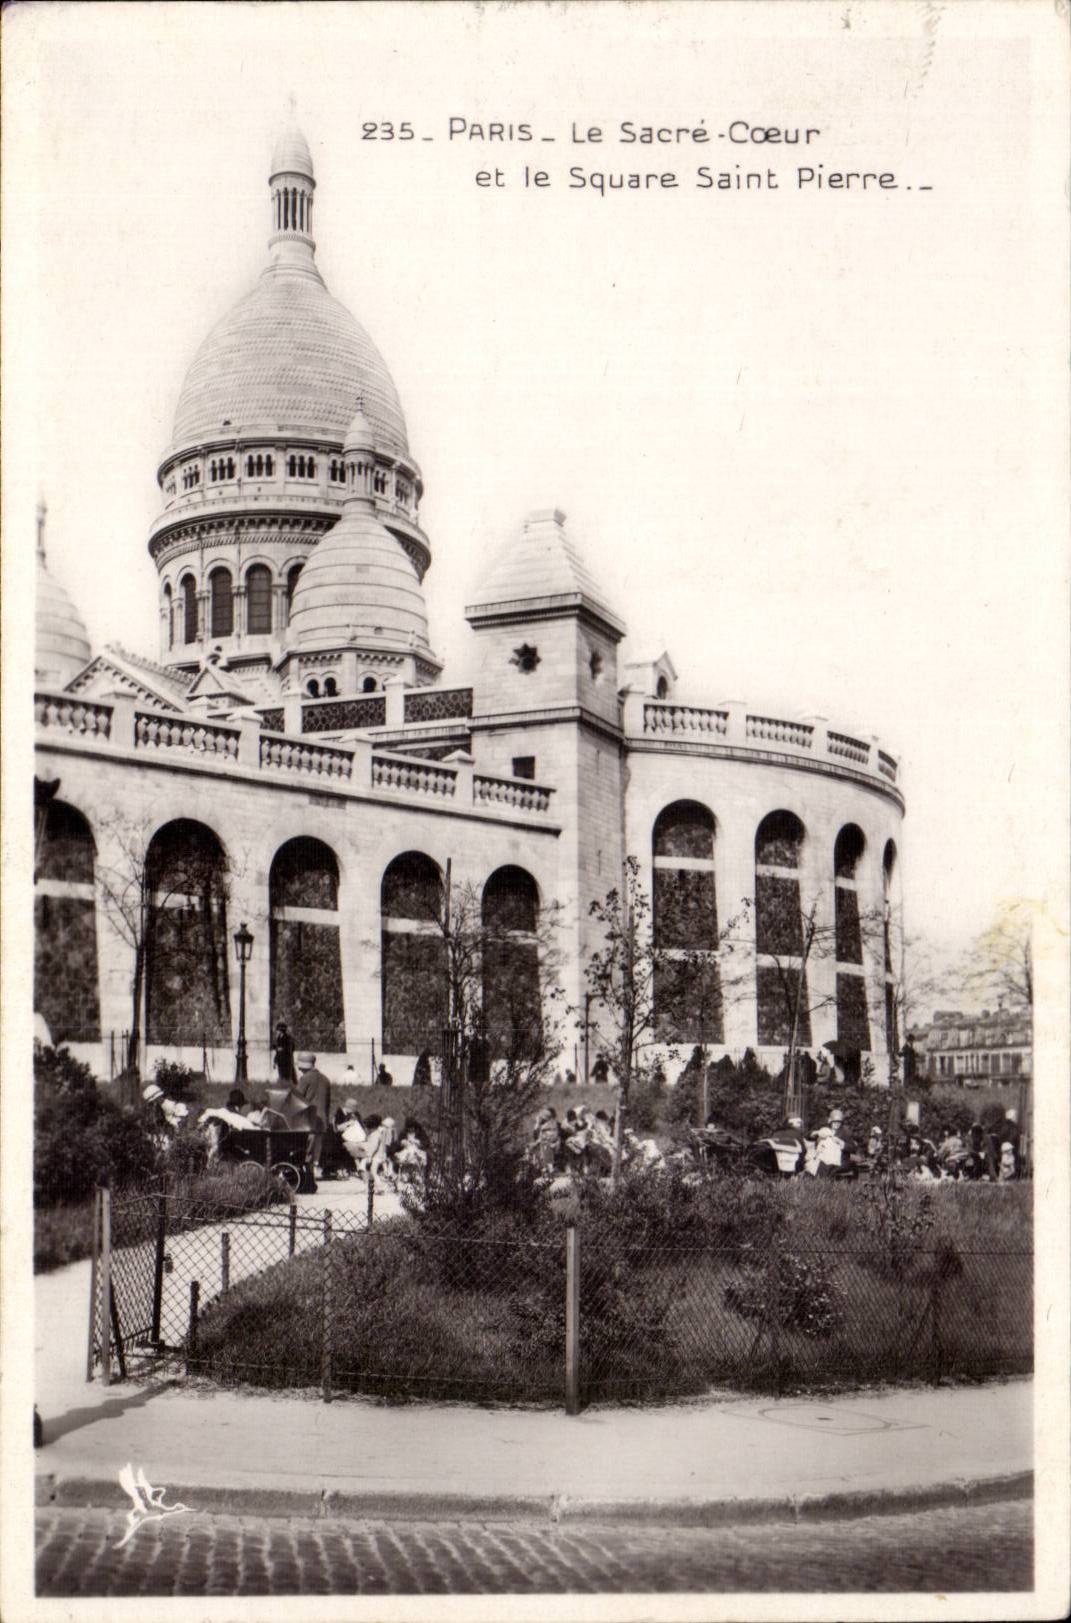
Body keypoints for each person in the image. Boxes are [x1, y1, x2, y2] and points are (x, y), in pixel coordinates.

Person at [296, 1051, 332, 1178]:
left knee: (307, 1149)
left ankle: (307, 1175)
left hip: (309, 1120)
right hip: (323, 1120)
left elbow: (297, 1099)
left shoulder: (305, 1079)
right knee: (317, 1147)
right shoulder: (325, 1079)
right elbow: (327, 1103)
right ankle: (314, 1171)